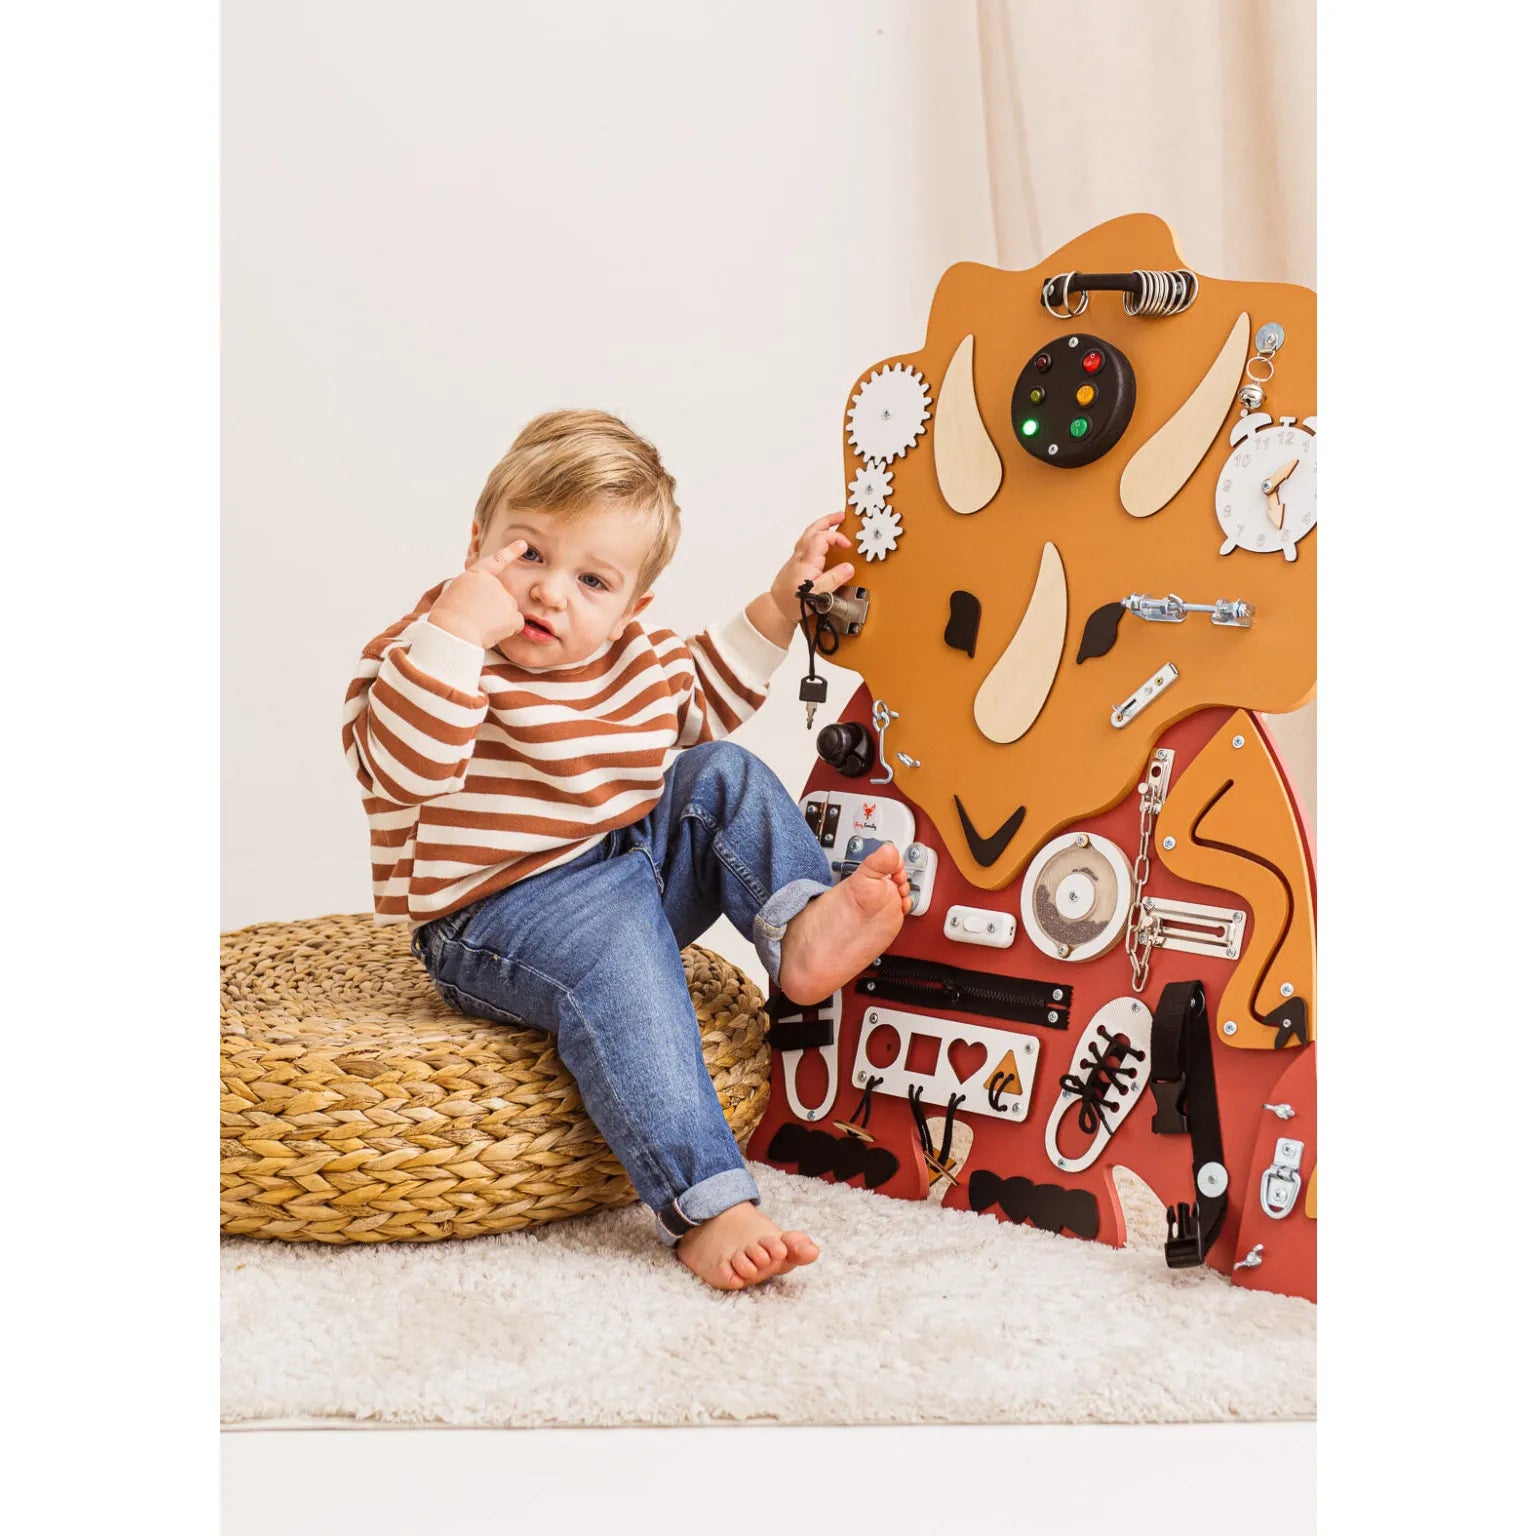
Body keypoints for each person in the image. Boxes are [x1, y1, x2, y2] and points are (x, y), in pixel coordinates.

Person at [342, 409, 911, 1290]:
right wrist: (455, 630)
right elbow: (401, 767)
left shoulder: (632, 658)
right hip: (491, 917)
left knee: (720, 773)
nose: (549, 593)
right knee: (616, 945)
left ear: (630, 607)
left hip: (621, 867)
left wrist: (779, 604)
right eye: (527, 553)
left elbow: (708, 691)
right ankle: (707, 1203)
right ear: (476, 541)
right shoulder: (431, 652)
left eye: (592, 580)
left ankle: (798, 927)